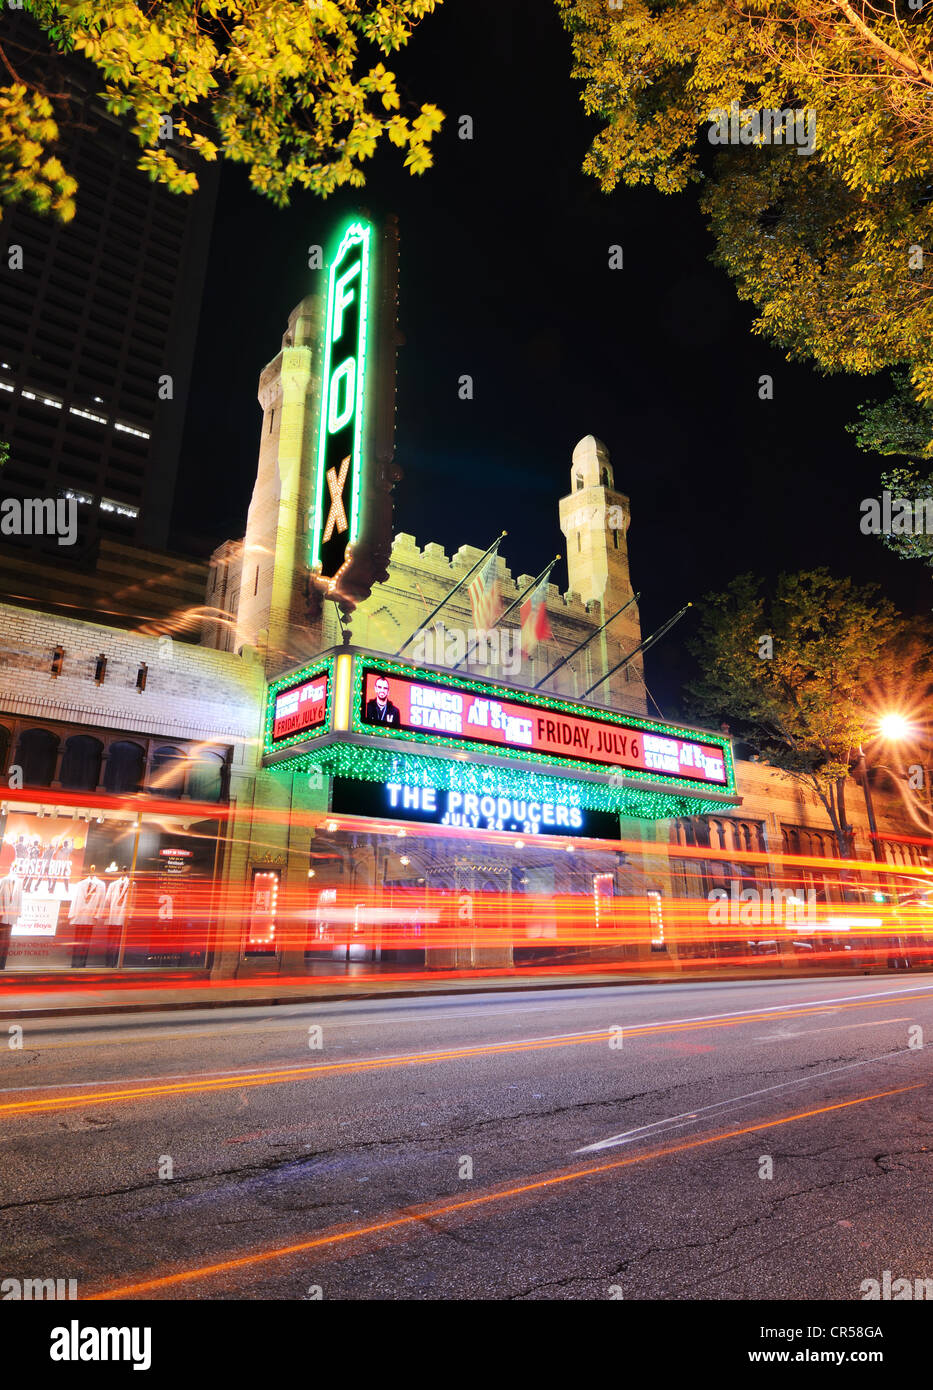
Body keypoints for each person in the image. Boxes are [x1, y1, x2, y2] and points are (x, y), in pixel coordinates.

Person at [0, 869, 22, 969]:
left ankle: (2, 965)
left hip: (11, 917)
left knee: (6, 942)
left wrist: (18, 913)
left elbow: (19, 898)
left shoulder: (19, 882)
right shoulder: (3, 881)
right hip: (2, 917)